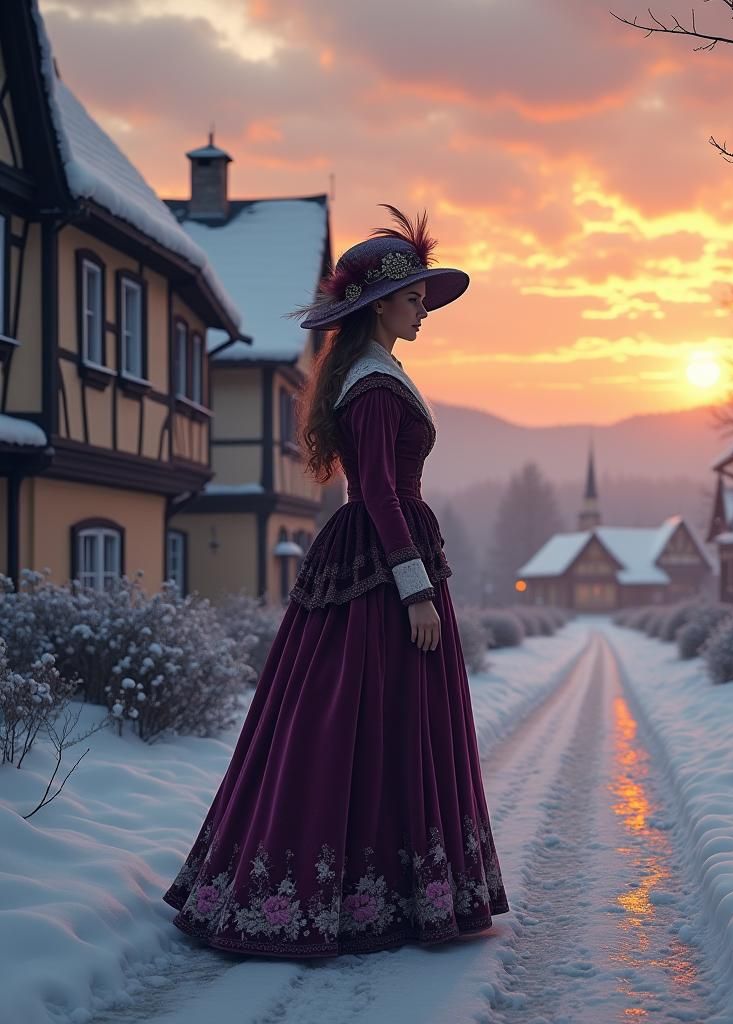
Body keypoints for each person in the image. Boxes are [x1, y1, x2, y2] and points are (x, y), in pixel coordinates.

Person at [162, 205, 509, 957]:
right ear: (379, 305)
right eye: (413, 298)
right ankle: (362, 896)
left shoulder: (368, 373)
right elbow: (378, 490)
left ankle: (374, 890)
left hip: (375, 554)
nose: (423, 310)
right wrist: (415, 589)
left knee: (363, 717)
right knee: (370, 716)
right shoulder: (375, 384)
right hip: (384, 563)